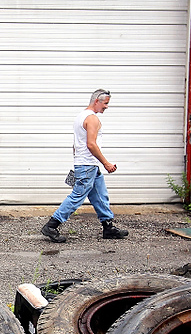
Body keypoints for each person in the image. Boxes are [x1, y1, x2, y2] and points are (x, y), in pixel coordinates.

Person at [41, 89, 128, 242]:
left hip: (88, 165)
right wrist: (106, 163)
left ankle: (108, 227)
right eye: (105, 103)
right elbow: (91, 144)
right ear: (97, 101)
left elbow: (76, 145)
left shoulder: (80, 116)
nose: (107, 107)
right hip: (87, 165)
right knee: (77, 196)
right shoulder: (92, 118)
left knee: (100, 195)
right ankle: (51, 225)